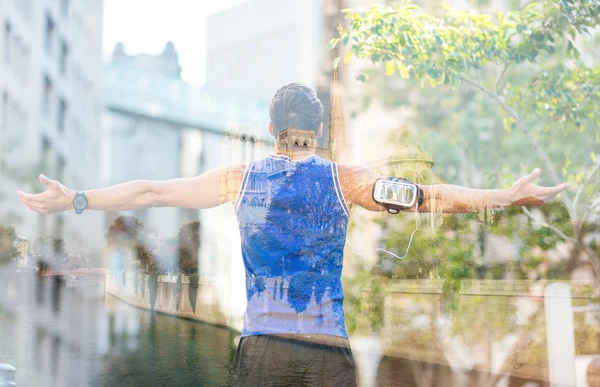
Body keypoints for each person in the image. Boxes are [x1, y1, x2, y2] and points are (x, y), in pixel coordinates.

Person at [17, 82, 568, 386]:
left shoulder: (240, 178)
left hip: (261, 352)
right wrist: (504, 195)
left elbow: (152, 192)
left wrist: (79, 198)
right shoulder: (348, 180)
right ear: (321, 130)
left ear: (271, 132)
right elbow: (429, 196)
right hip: (327, 352)